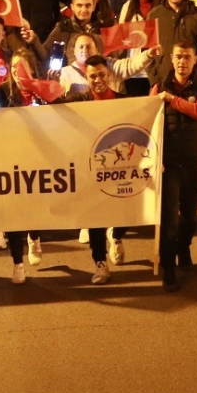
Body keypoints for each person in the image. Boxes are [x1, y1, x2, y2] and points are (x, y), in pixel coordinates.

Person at [158, 40, 197, 289]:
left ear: (195, 60)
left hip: (195, 162)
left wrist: (171, 99)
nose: (182, 62)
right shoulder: (158, 88)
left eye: (187, 57)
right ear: (171, 58)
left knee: (190, 216)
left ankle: (184, 247)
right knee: (168, 218)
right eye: (178, 57)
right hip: (169, 165)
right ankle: (168, 268)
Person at [74, 59, 126, 281]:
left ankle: (116, 235)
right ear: (86, 78)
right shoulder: (80, 103)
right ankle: (100, 263)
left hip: (121, 172)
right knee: (95, 218)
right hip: (92, 172)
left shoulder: (126, 102)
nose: (98, 80)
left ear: (109, 75)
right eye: (93, 76)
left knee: (125, 215)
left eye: (101, 75)